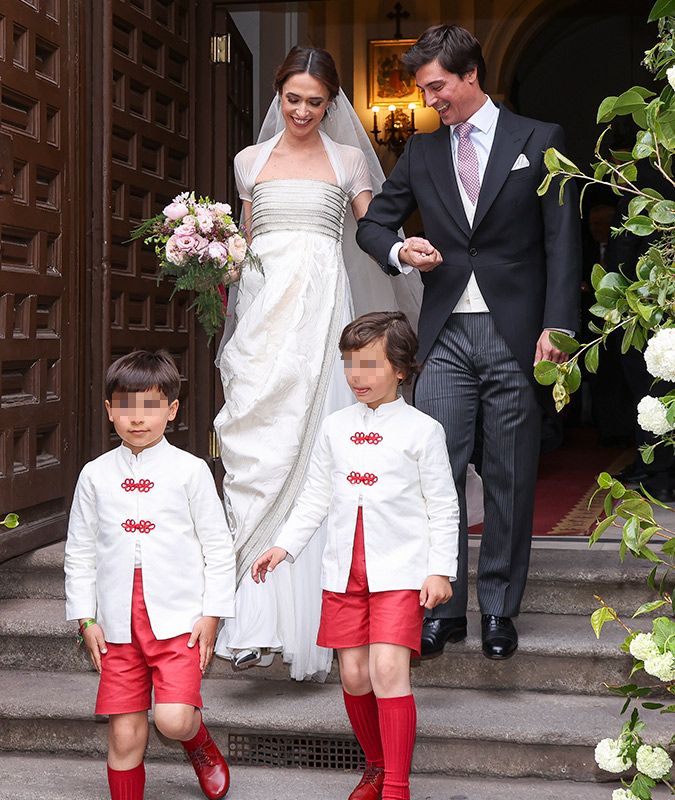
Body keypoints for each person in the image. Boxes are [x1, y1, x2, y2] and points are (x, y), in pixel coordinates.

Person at [356, 25, 581, 661]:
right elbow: (374, 222)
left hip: (517, 333)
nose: (431, 102)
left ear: (470, 76)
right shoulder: (423, 152)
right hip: (445, 333)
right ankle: (444, 608)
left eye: (437, 87)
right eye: (424, 90)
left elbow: (563, 241)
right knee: (438, 474)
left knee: (511, 475)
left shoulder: (540, 140)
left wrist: (558, 327)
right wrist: (402, 249)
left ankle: (500, 611)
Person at [213, 46, 423, 679]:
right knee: (254, 447)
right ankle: (249, 621)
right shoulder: (249, 161)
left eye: (315, 101)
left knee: (313, 459)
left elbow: (371, 230)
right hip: (260, 316)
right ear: (277, 95)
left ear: (332, 104)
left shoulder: (349, 159)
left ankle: (307, 623)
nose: (301, 110)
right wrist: (204, 256)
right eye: (291, 98)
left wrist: (401, 250)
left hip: (319, 314)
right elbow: (242, 245)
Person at [252, 312, 459, 800]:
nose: (356, 376)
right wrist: (284, 545)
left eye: (369, 364)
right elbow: (315, 498)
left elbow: (443, 505)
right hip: (344, 571)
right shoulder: (335, 428)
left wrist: (439, 569)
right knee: (354, 673)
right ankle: (376, 765)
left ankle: (396, 787)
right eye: (349, 363)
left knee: (388, 671)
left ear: (402, 369)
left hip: (400, 571)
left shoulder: (423, 431)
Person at [64, 350, 236, 800]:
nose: (137, 419)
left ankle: (198, 743)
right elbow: (79, 551)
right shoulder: (95, 475)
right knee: (124, 735)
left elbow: (218, 547)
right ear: (109, 411)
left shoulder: (191, 471)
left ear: (172, 410)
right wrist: (86, 618)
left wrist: (212, 614)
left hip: (179, 620)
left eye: (150, 407)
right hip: (118, 624)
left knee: (173, 719)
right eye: (125, 407)